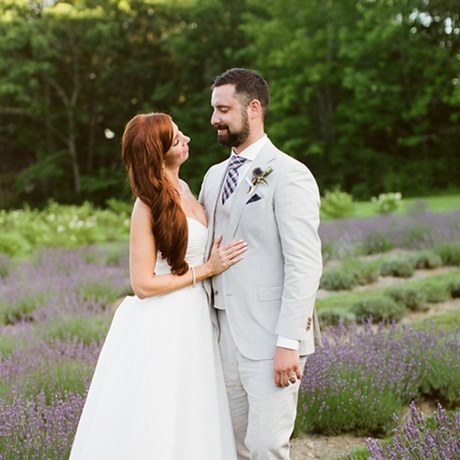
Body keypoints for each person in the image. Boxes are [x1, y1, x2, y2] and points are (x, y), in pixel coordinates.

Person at [70, 112, 247, 460]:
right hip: (166, 320)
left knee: (195, 411)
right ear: (158, 151)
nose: (187, 140)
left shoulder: (184, 189)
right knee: (162, 412)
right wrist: (206, 270)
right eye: (177, 137)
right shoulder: (146, 205)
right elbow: (142, 284)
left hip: (196, 316)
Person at [199, 68, 323, 459]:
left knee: (267, 445)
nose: (214, 119)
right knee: (234, 446)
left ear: (254, 108)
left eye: (223, 109)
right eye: (214, 110)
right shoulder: (214, 176)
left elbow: (305, 264)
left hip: (272, 339)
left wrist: (289, 341)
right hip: (221, 337)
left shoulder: (290, 173)